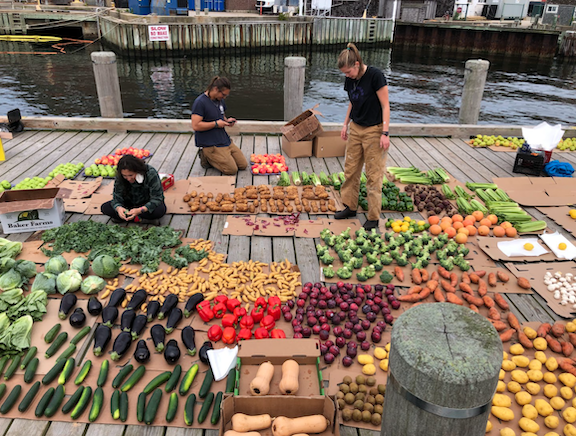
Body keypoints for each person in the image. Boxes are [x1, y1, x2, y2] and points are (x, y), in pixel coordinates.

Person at [334, 43, 390, 231]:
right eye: (345, 73)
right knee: (351, 169)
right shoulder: (350, 78)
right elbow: (353, 101)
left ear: (357, 64)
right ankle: (350, 206)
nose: (347, 76)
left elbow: (386, 106)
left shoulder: (375, 76)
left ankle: (373, 217)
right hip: (356, 128)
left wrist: (385, 132)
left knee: (374, 175)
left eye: (349, 72)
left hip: (374, 129)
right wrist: (345, 123)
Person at [191, 76, 248, 175]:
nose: (224, 97)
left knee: (243, 165)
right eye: (223, 94)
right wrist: (216, 124)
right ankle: (206, 156)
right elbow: (196, 126)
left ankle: (217, 156)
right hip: (210, 143)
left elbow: (221, 115)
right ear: (215, 89)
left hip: (223, 139)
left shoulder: (219, 99)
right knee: (232, 170)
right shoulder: (200, 102)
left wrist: (227, 121)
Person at [101, 155, 167, 224]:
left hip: (146, 204)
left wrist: (140, 210)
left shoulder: (150, 173)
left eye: (131, 175)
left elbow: (157, 198)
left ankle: (127, 218)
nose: (128, 179)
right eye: (125, 176)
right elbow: (117, 196)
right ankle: (140, 219)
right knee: (105, 208)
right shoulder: (120, 177)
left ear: (137, 171)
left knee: (159, 210)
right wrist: (119, 208)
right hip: (129, 203)